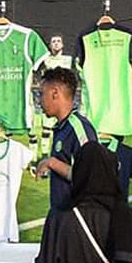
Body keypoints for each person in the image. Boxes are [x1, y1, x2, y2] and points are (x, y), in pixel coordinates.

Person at [34, 67, 97, 214]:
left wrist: (52, 163)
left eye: (41, 93)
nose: (39, 100)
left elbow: (91, 176)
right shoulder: (62, 127)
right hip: (61, 214)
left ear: (55, 93)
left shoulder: (78, 127)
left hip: (77, 217)